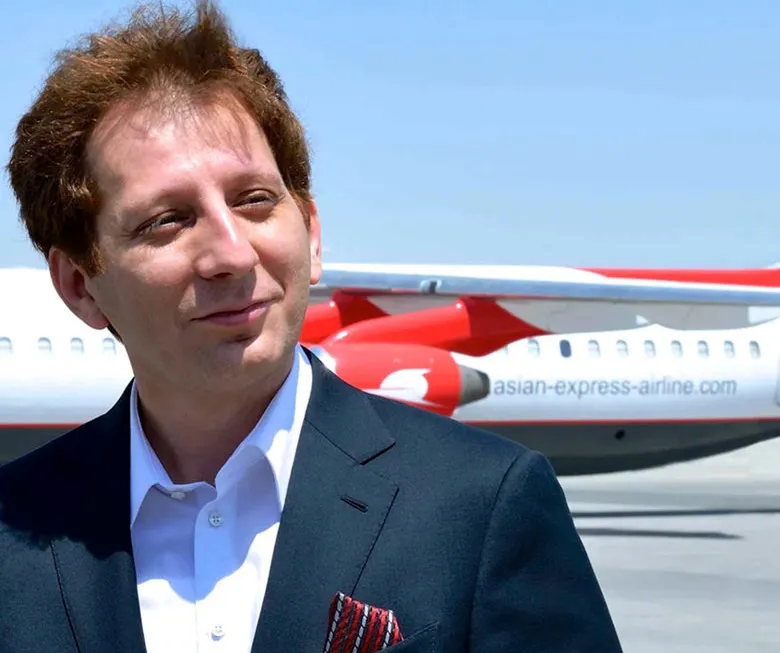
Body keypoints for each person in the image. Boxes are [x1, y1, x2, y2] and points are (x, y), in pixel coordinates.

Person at [0, 2, 623, 651]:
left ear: (312, 234)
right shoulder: (14, 528)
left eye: (254, 201)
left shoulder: (480, 503)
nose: (232, 253)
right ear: (80, 284)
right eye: (167, 221)